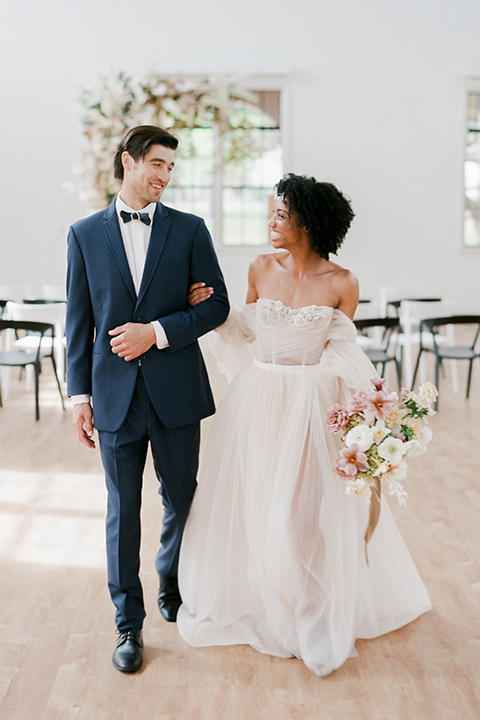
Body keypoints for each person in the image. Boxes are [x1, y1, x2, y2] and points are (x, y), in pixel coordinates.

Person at [177, 173, 431, 676]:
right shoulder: (259, 267)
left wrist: (367, 417)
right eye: (271, 212)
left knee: (303, 516)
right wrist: (202, 309)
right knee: (259, 504)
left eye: (281, 214)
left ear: (309, 222)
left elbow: (343, 354)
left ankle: (313, 614)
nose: (271, 221)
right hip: (258, 401)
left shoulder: (341, 282)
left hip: (311, 408)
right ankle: (273, 606)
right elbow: (243, 329)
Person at [65, 125, 230, 673]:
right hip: (113, 395)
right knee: (122, 510)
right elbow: (78, 323)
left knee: (182, 498)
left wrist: (155, 330)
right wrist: (79, 396)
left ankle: (172, 578)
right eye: (156, 164)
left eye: (171, 168)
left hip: (176, 391)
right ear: (129, 162)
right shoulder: (85, 234)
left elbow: (217, 307)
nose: (164, 176)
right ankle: (127, 624)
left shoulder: (189, 231)